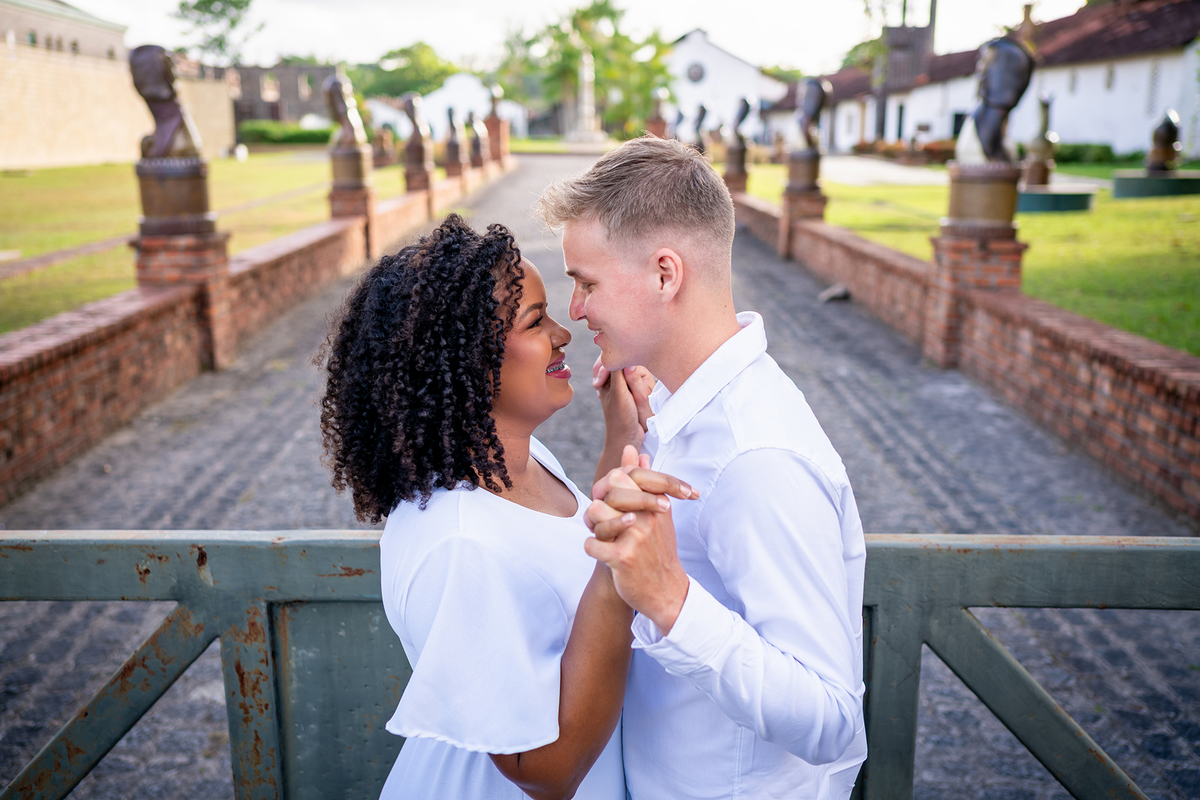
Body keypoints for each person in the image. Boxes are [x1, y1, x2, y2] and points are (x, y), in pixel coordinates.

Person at [317, 214, 692, 800]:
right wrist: (620, 568)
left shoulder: (519, 460)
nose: (564, 334)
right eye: (536, 321)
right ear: (465, 358)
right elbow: (543, 771)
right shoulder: (460, 541)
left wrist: (623, 435)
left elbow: (567, 551)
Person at [537, 136, 869, 799]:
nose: (574, 309)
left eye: (587, 282)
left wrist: (670, 600)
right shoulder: (680, 408)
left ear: (665, 275)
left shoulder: (755, 457)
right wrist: (635, 428)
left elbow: (832, 721)